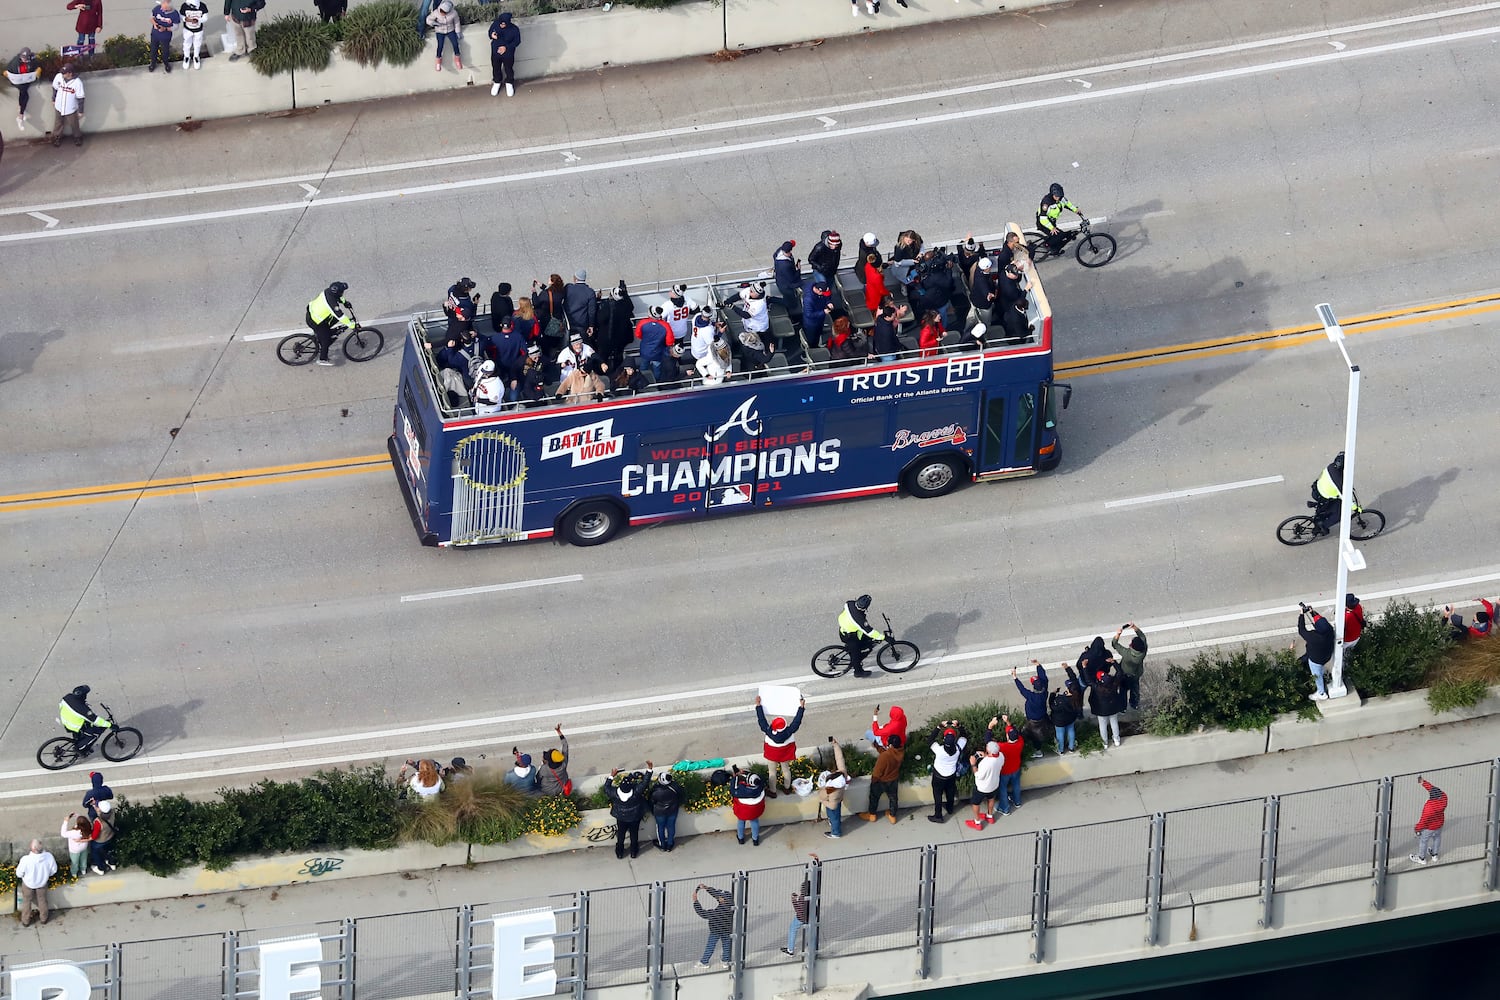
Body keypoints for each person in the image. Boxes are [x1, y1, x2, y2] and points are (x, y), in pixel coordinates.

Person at [757, 694, 805, 797]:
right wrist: (801, 707)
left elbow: (761, 720)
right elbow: (797, 721)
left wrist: (758, 706)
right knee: (786, 770)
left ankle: (773, 791)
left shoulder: (768, 731)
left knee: (772, 772)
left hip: (772, 755)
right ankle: (787, 788)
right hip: (785, 755)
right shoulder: (789, 731)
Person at [305, 281, 355, 367]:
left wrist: (345, 302)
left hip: (312, 313)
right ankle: (322, 359)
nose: (343, 292)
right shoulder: (331, 304)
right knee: (326, 340)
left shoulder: (328, 291)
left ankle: (324, 333)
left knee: (332, 322)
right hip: (315, 321)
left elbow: (339, 297)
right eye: (342, 291)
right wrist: (352, 325)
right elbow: (340, 316)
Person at [857, 733, 903, 823]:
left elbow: (877, 772)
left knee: (874, 797)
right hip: (893, 780)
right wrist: (878, 747)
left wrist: (874, 781)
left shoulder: (884, 757)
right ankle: (892, 816)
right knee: (893, 798)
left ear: (890, 745)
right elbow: (890, 754)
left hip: (881, 781)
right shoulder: (900, 752)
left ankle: (872, 815)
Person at [927, 720, 967, 823]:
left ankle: (938, 815)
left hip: (938, 776)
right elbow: (964, 737)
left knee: (938, 795)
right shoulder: (958, 748)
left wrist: (939, 727)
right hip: (951, 775)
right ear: (954, 740)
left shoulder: (939, 750)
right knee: (950, 792)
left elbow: (930, 739)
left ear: (944, 739)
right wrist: (958, 726)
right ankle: (950, 808)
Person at [837, 595, 885, 678]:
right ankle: (858, 671)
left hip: (844, 629)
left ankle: (853, 651)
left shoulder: (850, 604)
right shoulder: (859, 619)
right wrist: (883, 637)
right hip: (849, 636)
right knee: (856, 655)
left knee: (867, 641)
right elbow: (869, 631)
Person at [604, 769, 648, 859]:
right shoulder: (636, 792)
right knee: (634, 835)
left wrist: (612, 775)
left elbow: (606, 787)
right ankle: (633, 852)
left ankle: (620, 853)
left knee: (621, 835)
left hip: (621, 818)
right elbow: (645, 783)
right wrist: (649, 769)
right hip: (634, 818)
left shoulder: (615, 793)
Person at [1295, 603, 1335, 701]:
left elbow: (1301, 630)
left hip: (1316, 659)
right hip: (1327, 655)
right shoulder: (1329, 630)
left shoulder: (1314, 637)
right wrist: (1312, 612)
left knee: (1317, 675)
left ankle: (1321, 693)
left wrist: (1301, 614)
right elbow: (1320, 621)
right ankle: (1323, 676)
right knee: (1319, 670)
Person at [780, 860, 818, 957]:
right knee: (811, 931)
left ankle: (790, 950)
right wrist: (817, 862)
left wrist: (793, 900)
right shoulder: (813, 895)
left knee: (792, 929)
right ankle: (812, 948)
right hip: (812, 915)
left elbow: (799, 910)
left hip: (802, 917)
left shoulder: (802, 898)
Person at [1013, 661, 1051, 758]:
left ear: (1034, 686)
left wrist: (1015, 678)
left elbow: (1021, 688)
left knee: (1033, 735)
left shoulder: (1032, 696)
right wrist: (1038, 665)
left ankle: (1038, 751)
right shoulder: (1044, 692)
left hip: (1033, 720)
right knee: (1043, 730)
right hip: (1042, 716)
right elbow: (1044, 678)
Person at [17, 840, 59, 927]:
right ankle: (43, 918)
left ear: (32, 848)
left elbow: (19, 873)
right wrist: (47, 875)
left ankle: (26, 920)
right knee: (42, 901)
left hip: (28, 884)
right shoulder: (48, 856)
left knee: (26, 902)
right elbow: (54, 870)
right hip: (42, 884)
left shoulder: (26, 859)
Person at [693, 883, 735, 968]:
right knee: (726, 945)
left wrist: (695, 901)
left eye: (720, 897)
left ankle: (704, 962)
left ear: (723, 900)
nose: (718, 897)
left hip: (715, 931)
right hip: (727, 929)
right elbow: (717, 895)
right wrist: (706, 888)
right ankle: (725, 961)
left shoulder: (716, 913)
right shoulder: (731, 904)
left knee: (710, 946)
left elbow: (702, 913)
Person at [966, 734, 1002, 831]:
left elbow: (978, 775)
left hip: (982, 787)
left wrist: (973, 764)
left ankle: (977, 822)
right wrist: (986, 755)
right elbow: (993, 758)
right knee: (991, 799)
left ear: (989, 750)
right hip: (994, 785)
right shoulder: (1001, 756)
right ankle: (990, 816)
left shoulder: (984, 763)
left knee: (975, 803)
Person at [1036, 181, 1084, 253]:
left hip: (1052, 221)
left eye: (1059, 196)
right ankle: (1046, 245)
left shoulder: (1060, 198)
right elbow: (1042, 219)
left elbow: (1067, 204)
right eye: (1056, 196)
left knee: (1062, 235)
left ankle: (1055, 249)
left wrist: (1076, 210)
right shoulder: (1046, 202)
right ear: (1052, 194)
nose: (1058, 198)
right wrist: (1052, 228)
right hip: (1044, 223)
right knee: (1060, 235)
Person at [816, 739, 849, 839]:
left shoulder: (833, 791)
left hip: (831, 803)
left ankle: (835, 833)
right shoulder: (842, 774)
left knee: (834, 816)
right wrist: (836, 745)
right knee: (835, 815)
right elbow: (840, 759)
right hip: (837, 800)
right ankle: (833, 822)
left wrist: (822, 800)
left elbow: (832, 806)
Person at [1410, 776, 1447, 865]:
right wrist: (1423, 782)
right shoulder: (1444, 797)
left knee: (1423, 841)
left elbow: (1423, 821)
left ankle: (1421, 858)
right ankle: (1434, 855)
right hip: (1439, 824)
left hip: (1429, 827)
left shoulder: (1429, 807)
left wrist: (1417, 829)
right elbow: (1433, 789)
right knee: (1437, 838)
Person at [1111, 623, 1148, 711]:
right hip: (1136, 675)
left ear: (1132, 646)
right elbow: (1143, 638)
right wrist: (1135, 628)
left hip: (1124, 675)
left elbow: (1114, 644)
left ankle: (1122, 708)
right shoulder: (1143, 652)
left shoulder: (1127, 653)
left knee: (1123, 691)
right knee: (1135, 689)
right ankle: (1134, 704)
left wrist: (1118, 634)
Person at [634, 305, 675, 383]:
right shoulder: (665, 325)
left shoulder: (642, 323)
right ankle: (656, 382)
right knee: (657, 369)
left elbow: (638, 335)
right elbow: (669, 342)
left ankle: (641, 380)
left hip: (645, 351)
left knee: (643, 367)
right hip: (658, 352)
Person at [1088, 665, 1126, 747]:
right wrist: (1114, 663)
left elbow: (1088, 680)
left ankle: (1105, 743)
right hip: (1113, 708)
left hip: (1101, 710)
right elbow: (1120, 673)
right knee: (1114, 724)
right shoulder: (1114, 684)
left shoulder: (1098, 688)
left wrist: (1084, 668)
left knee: (1103, 726)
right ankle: (1116, 740)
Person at [1310, 452, 1346, 535]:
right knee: (1338, 515)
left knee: (1325, 511)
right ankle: (1322, 526)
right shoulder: (1338, 481)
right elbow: (1345, 497)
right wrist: (1356, 508)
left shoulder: (1331, 467)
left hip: (1316, 490)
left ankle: (1319, 520)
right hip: (1323, 497)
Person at [50, 64, 85, 148]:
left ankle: (77, 137)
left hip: (71, 108)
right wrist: (53, 99)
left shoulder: (77, 82)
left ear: (70, 73)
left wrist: (81, 111)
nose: (63, 74)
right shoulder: (59, 77)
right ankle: (57, 137)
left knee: (74, 124)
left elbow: (81, 98)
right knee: (58, 123)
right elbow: (55, 88)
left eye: (65, 73)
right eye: (62, 72)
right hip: (59, 105)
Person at [729, 767, 766, 845]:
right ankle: (755, 839)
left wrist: (736, 776)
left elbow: (733, 789)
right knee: (754, 822)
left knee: (741, 822)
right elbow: (760, 778)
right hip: (755, 811)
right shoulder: (760, 786)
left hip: (743, 810)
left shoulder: (740, 790)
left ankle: (740, 838)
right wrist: (745, 772)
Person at [995, 718, 1024, 814]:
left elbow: (990, 744)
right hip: (1016, 768)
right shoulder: (1020, 742)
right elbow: (1012, 731)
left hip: (1005, 772)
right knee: (1016, 785)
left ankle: (1005, 808)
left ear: (1007, 737)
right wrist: (1008, 722)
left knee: (1003, 788)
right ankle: (1017, 802)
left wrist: (990, 727)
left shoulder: (1002, 747)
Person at [649, 770, 683, 851]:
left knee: (660, 828)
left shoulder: (656, 791)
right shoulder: (675, 786)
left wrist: (652, 811)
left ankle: (662, 845)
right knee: (671, 827)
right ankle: (670, 844)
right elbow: (681, 796)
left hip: (660, 812)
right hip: (673, 811)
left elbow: (651, 801)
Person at [689, 314, 728, 385]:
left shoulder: (696, 317)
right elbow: (713, 343)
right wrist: (720, 333)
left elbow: (706, 322)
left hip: (695, 347)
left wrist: (714, 324)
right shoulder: (708, 330)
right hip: (702, 353)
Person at [488, 11, 520, 97]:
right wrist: (492, 35)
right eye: (501, 24)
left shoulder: (514, 29)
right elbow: (490, 31)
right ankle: (497, 81)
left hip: (508, 53)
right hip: (496, 51)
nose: (501, 26)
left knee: (508, 68)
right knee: (496, 67)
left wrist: (506, 47)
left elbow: (517, 42)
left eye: (503, 24)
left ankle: (509, 82)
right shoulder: (495, 24)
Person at [536, 724, 571, 796]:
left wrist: (542, 764)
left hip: (548, 790)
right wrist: (559, 732)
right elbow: (565, 746)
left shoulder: (545, 768)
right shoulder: (564, 763)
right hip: (561, 788)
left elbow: (538, 778)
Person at [427, 0, 462, 71]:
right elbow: (428, 19)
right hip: (440, 30)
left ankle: (457, 59)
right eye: (441, 11)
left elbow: (457, 22)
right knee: (440, 45)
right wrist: (434, 23)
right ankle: (438, 61)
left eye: (444, 12)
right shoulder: (436, 12)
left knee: (455, 44)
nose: (442, 13)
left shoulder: (454, 13)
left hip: (450, 30)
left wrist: (458, 32)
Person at [1049, 677, 1080, 754]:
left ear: (1068, 689)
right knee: (1071, 731)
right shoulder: (1076, 698)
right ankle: (1071, 747)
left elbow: (1052, 706)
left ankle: (1061, 750)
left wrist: (1053, 694)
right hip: (1070, 719)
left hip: (1060, 721)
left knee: (1060, 734)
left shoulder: (1061, 700)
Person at [148, 0, 181, 72]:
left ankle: (166, 64)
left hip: (165, 37)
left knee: (165, 51)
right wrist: (154, 24)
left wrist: (165, 28)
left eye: (163, 8)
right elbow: (151, 17)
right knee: (153, 50)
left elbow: (176, 27)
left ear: (168, 8)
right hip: (154, 35)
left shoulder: (175, 14)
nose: (161, 9)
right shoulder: (157, 8)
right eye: (162, 6)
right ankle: (153, 64)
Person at [89, 799, 117, 873]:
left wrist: (86, 839)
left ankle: (100, 868)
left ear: (100, 811)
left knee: (95, 851)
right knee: (107, 851)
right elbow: (103, 811)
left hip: (100, 840)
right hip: (110, 836)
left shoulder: (98, 822)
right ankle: (112, 863)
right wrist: (95, 804)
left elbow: (94, 836)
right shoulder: (112, 812)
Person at [62, 813, 93, 878]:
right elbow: (82, 823)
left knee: (75, 862)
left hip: (75, 849)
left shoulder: (74, 832)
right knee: (83, 859)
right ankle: (83, 870)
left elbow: (63, 834)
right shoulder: (88, 828)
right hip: (84, 847)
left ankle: (74, 873)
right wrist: (78, 816)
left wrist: (65, 821)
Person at [179, 0, 208, 67]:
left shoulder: (202, 6)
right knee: (187, 43)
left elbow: (205, 17)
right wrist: (185, 19)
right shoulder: (184, 5)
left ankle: (196, 56)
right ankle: (186, 57)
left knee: (197, 44)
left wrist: (198, 20)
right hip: (187, 29)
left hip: (198, 30)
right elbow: (181, 15)